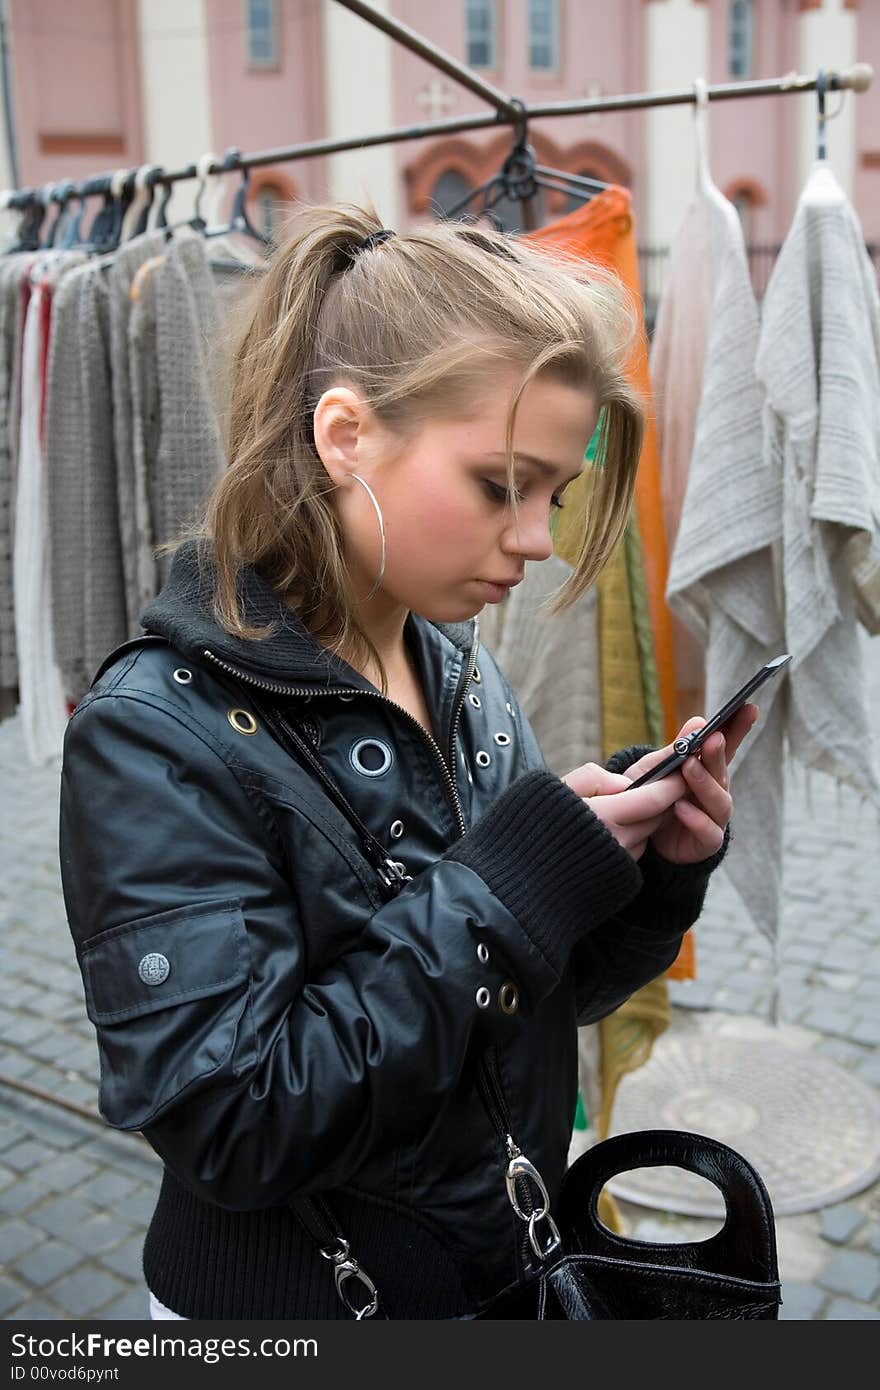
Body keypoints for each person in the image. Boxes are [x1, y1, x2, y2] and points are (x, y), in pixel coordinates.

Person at [59, 205, 755, 1321]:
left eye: (554, 497)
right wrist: (507, 887)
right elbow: (232, 1124)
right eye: (499, 485)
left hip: (491, 1280)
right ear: (345, 436)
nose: (534, 538)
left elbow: (533, 1000)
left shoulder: (454, 663)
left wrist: (639, 870)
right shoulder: (152, 730)